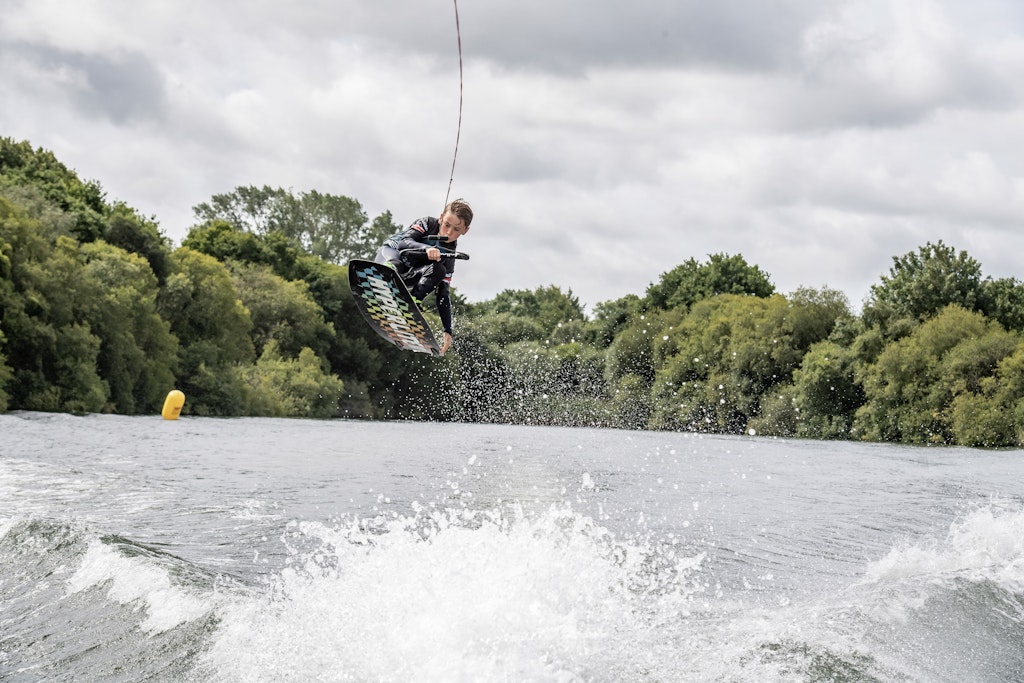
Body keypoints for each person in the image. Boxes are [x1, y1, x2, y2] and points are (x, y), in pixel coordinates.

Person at [374, 199, 473, 354]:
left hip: (408, 275)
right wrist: (426, 249)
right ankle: (383, 278)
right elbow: (404, 244)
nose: (448, 232)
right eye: (446, 224)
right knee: (397, 263)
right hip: (390, 257)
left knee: (439, 270)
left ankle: (410, 305)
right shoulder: (427, 223)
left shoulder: (450, 252)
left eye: (456, 229)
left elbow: (443, 293)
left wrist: (448, 330)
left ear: (465, 231)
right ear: (441, 217)